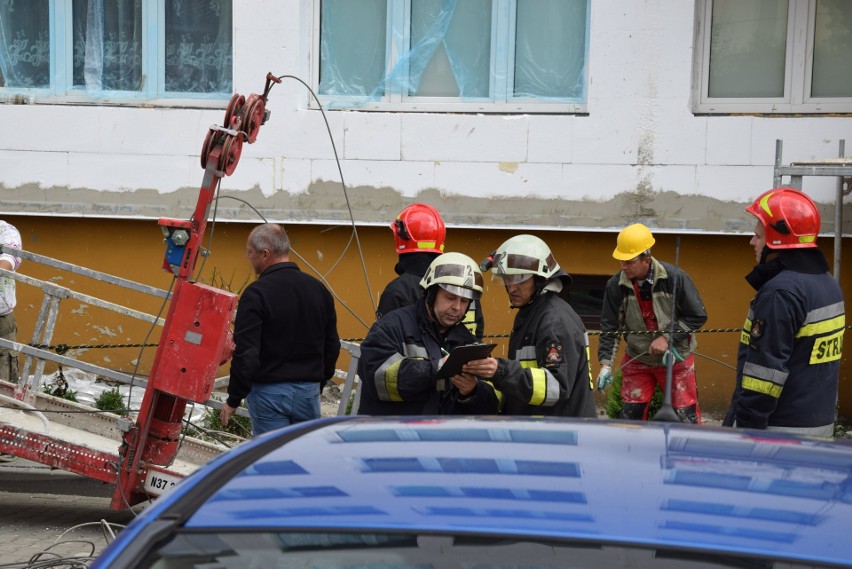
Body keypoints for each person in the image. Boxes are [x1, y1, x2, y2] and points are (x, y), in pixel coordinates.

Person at [723, 188, 845, 436]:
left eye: (758, 236)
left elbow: (764, 375)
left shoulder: (780, 293)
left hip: (777, 431)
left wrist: (746, 430)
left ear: (776, 242)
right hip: (817, 424)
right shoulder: (828, 284)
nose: (752, 242)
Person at [221, 224, 340, 435]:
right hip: (308, 392)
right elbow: (332, 346)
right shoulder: (319, 290)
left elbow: (247, 353)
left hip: (269, 393)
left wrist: (234, 398)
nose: (248, 258)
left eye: (250, 252)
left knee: (272, 461)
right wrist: (317, 384)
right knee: (303, 458)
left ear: (265, 253)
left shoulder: (256, 294)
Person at [359, 252, 500, 415]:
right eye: (450, 297)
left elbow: (491, 406)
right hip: (394, 436)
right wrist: (436, 369)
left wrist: (472, 391)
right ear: (431, 294)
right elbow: (377, 379)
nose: (457, 307)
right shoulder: (392, 327)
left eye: (464, 301)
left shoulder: (468, 342)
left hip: (439, 437)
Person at [596, 223, 707, 423]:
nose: (623, 266)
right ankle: (632, 452)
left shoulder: (674, 278)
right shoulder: (615, 286)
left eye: (629, 262)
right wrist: (605, 365)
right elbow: (610, 327)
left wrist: (667, 338)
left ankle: (683, 453)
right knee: (630, 416)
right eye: (621, 261)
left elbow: (697, 315)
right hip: (638, 358)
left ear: (646, 260)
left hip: (676, 358)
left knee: (685, 416)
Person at [478, 234, 596, 417]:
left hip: (560, 437)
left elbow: (556, 387)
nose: (511, 288)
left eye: (520, 279)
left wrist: (501, 371)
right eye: (507, 280)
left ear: (541, 279)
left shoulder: (554, 320)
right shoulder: (533, 314)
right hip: (542, 433)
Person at [377, 203, 485, 340]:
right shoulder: (465, 283)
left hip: (419, 362)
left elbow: (384, 345)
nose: (457, 306)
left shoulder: (398, 290)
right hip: (467, 361)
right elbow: (478, 335)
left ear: (400, 237)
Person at [0, 220, 21, 462]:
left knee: (4, 377)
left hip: (1, 317)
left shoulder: (6, 231)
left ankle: (3, 441)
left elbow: (9, 260)